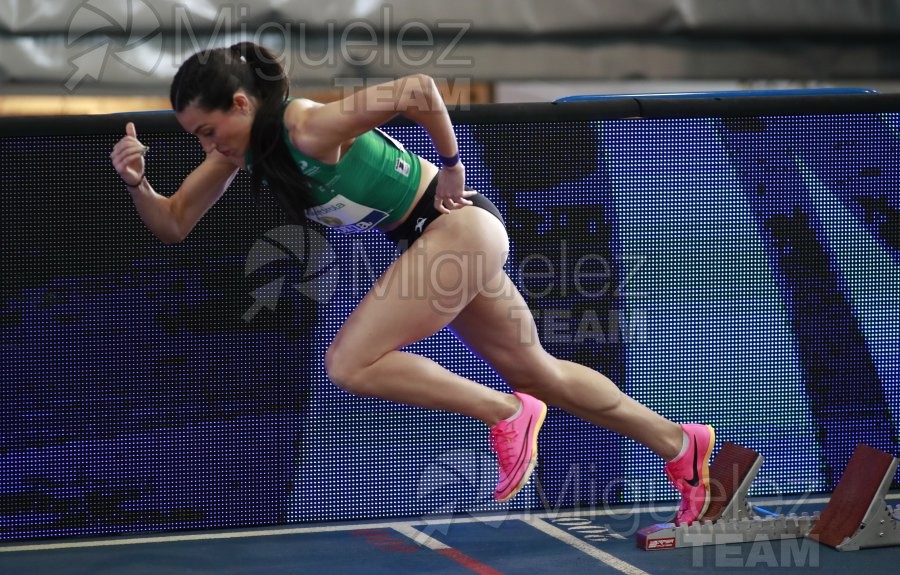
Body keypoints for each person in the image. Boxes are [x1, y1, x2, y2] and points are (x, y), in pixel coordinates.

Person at [110, 42, 716, 524]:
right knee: (539, 369)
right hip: (444, 240)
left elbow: (417, 90)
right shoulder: (242, 154)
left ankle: (506, 412)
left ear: (242, 104)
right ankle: (681, 446)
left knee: (350, 362)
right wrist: (139, 183)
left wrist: (452, 166)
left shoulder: (309, 129)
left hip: (455, 227)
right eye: (197, 138)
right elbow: (173, 223)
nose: (206, 145)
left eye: (208, 131)